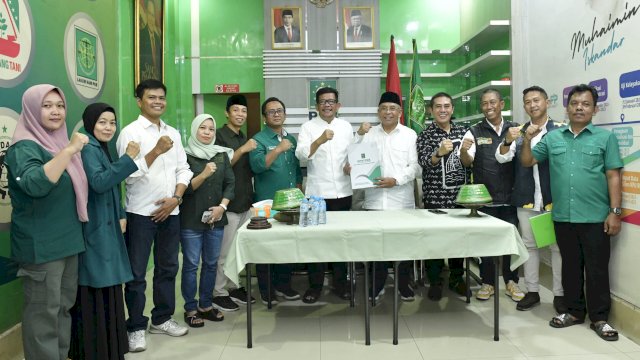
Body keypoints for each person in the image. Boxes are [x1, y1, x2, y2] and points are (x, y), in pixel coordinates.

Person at [520, 84, 623, 341]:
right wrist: (526, 139)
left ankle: (600, 318)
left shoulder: (605, 138)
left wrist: (615, 212)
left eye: (585, 104)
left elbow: (613, 175)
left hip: (596, 217)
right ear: (567, 107)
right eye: (575, 103)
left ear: (594, 109)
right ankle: (575, 312)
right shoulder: (553, 138)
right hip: (563, 217)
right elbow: (528, 161)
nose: (579, 107)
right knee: (570, 268)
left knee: (597, 269)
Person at [6, 84, 89, 359]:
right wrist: (68, 152)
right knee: (43, 317)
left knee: (62, 310)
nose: (56, 111)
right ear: (31, 110)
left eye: (60, 105)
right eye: (47, 105)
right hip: (41, 247)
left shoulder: (55, 141)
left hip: (67, 243)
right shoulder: (24, 147)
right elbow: (34, 184)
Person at [116, 79, 193, 352]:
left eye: (162, 97)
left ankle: (162, 318)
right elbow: (129, 172)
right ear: (139, 101)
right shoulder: (130, 132)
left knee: (168, 267)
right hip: (140, 213)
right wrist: (156, 150)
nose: (158, 101)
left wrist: (176, 198)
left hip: (171, 211)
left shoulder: (173, 132)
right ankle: (136, 326)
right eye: (151, 97)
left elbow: (183, 169)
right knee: (137, 273)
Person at [68, 103, 140, 360]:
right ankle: (95, 350)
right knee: (96, 287)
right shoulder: (88, 148)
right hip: (95, 230)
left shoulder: (100, 148)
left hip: (107, 227)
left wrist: (120, 214)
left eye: (112, 122)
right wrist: (128, 159)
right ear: (90, 123)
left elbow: (111, 187)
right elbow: (99, 182)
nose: (109, 127)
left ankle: (109, 347)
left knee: (108, 286)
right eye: (102, 122)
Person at [495, 86, 566, 312]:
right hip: (526, 198)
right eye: (527, 102)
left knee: (557, 247)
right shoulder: (518, 132)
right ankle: (532, 291)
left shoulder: (560, 131)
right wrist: (507, 140)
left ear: (547, 102)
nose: (532, 105)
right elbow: (502, 158)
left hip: (553, 199)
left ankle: (559, 294)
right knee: (529, 246)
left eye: (536, 100)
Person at [459, 88, 524, 302]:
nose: (489, 107)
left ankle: (511, 282)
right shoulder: (474, 131)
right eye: (485, 103)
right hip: (485, 198)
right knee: (486, 242)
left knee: (510, 242)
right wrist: (462, 152)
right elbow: (467, 162)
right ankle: (487, 283)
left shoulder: (515, 129)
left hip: (511, 197)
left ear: (502, 104)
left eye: (493, 102)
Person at [354, 91, 420, 302]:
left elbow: (415, 167)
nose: (388, 112)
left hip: (401, 201)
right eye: (384, 108)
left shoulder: (410, 135)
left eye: (393, 108)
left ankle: (403, 285)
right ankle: (377, 284)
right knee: (376, 245)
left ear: (400, 112)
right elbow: (356, 162)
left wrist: (396, 180)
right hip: (374, 201)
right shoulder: (368, 134)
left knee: (403, 246)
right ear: (378, 111)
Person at [295, 87, 353, 303]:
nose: (327, 105)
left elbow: (353, 154)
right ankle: (315, 286)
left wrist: (351, 165)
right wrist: (319, 140)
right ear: (316, 105)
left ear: (338, 105)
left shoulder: (346, 127)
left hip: (343, 192)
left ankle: (340, 284)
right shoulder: (308, 127)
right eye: (322, 101)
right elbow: (301, 155)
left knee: (341, 240)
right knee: (315, 242)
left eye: (331, 101)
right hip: (315, 195)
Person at [179, 114, 235, 327]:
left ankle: (206, 305)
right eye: (202, 128)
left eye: (211, 129)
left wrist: (222, 207)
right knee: (192, 265)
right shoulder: (183, 155)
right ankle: (191, 308)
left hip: (216, 220)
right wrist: (203, 174)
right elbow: (183, 190)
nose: (207, 132)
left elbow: (230, 184)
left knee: (211, 264)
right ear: (194, 130)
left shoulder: (221, 155)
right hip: (191, 220)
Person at [416, 92, 470, 301]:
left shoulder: (463, 132)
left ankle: (457, 278)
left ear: (452, 109)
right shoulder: (426, 134)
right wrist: (438, 152)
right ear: (431, 110)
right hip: (435, 199)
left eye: (446, 106)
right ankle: (435, 280)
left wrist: (465, 152)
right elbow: (424, 162)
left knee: (458, 241)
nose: (442, 110)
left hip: (460, 197)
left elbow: (469, 162)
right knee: (435, 241)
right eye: (438, 106)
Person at [249, 97, 302, 304]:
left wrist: (299, 189)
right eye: (271, 112)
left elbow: (296, 169)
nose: (276, 114)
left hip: (290, 202)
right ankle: (266, 290)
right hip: (267, 203)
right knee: (266, 247)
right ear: (264, 117)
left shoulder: (292, 139)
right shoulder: (259, 140)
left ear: (285, 114)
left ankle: (284, 285)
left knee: (287, 245)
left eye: (280, 110)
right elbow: (258, 166)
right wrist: (278, 149)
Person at [212, 94, 257, 312]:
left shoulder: (242, 136)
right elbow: (222, 166)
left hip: (244, 202)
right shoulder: (219, 136)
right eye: (236, 110)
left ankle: (232, 286)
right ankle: (218, 292)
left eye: (244, 111)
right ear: (227, 113)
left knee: (237, 251)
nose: (240, 114)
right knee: (223, 252)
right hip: (227, 204)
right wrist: (243, 150)